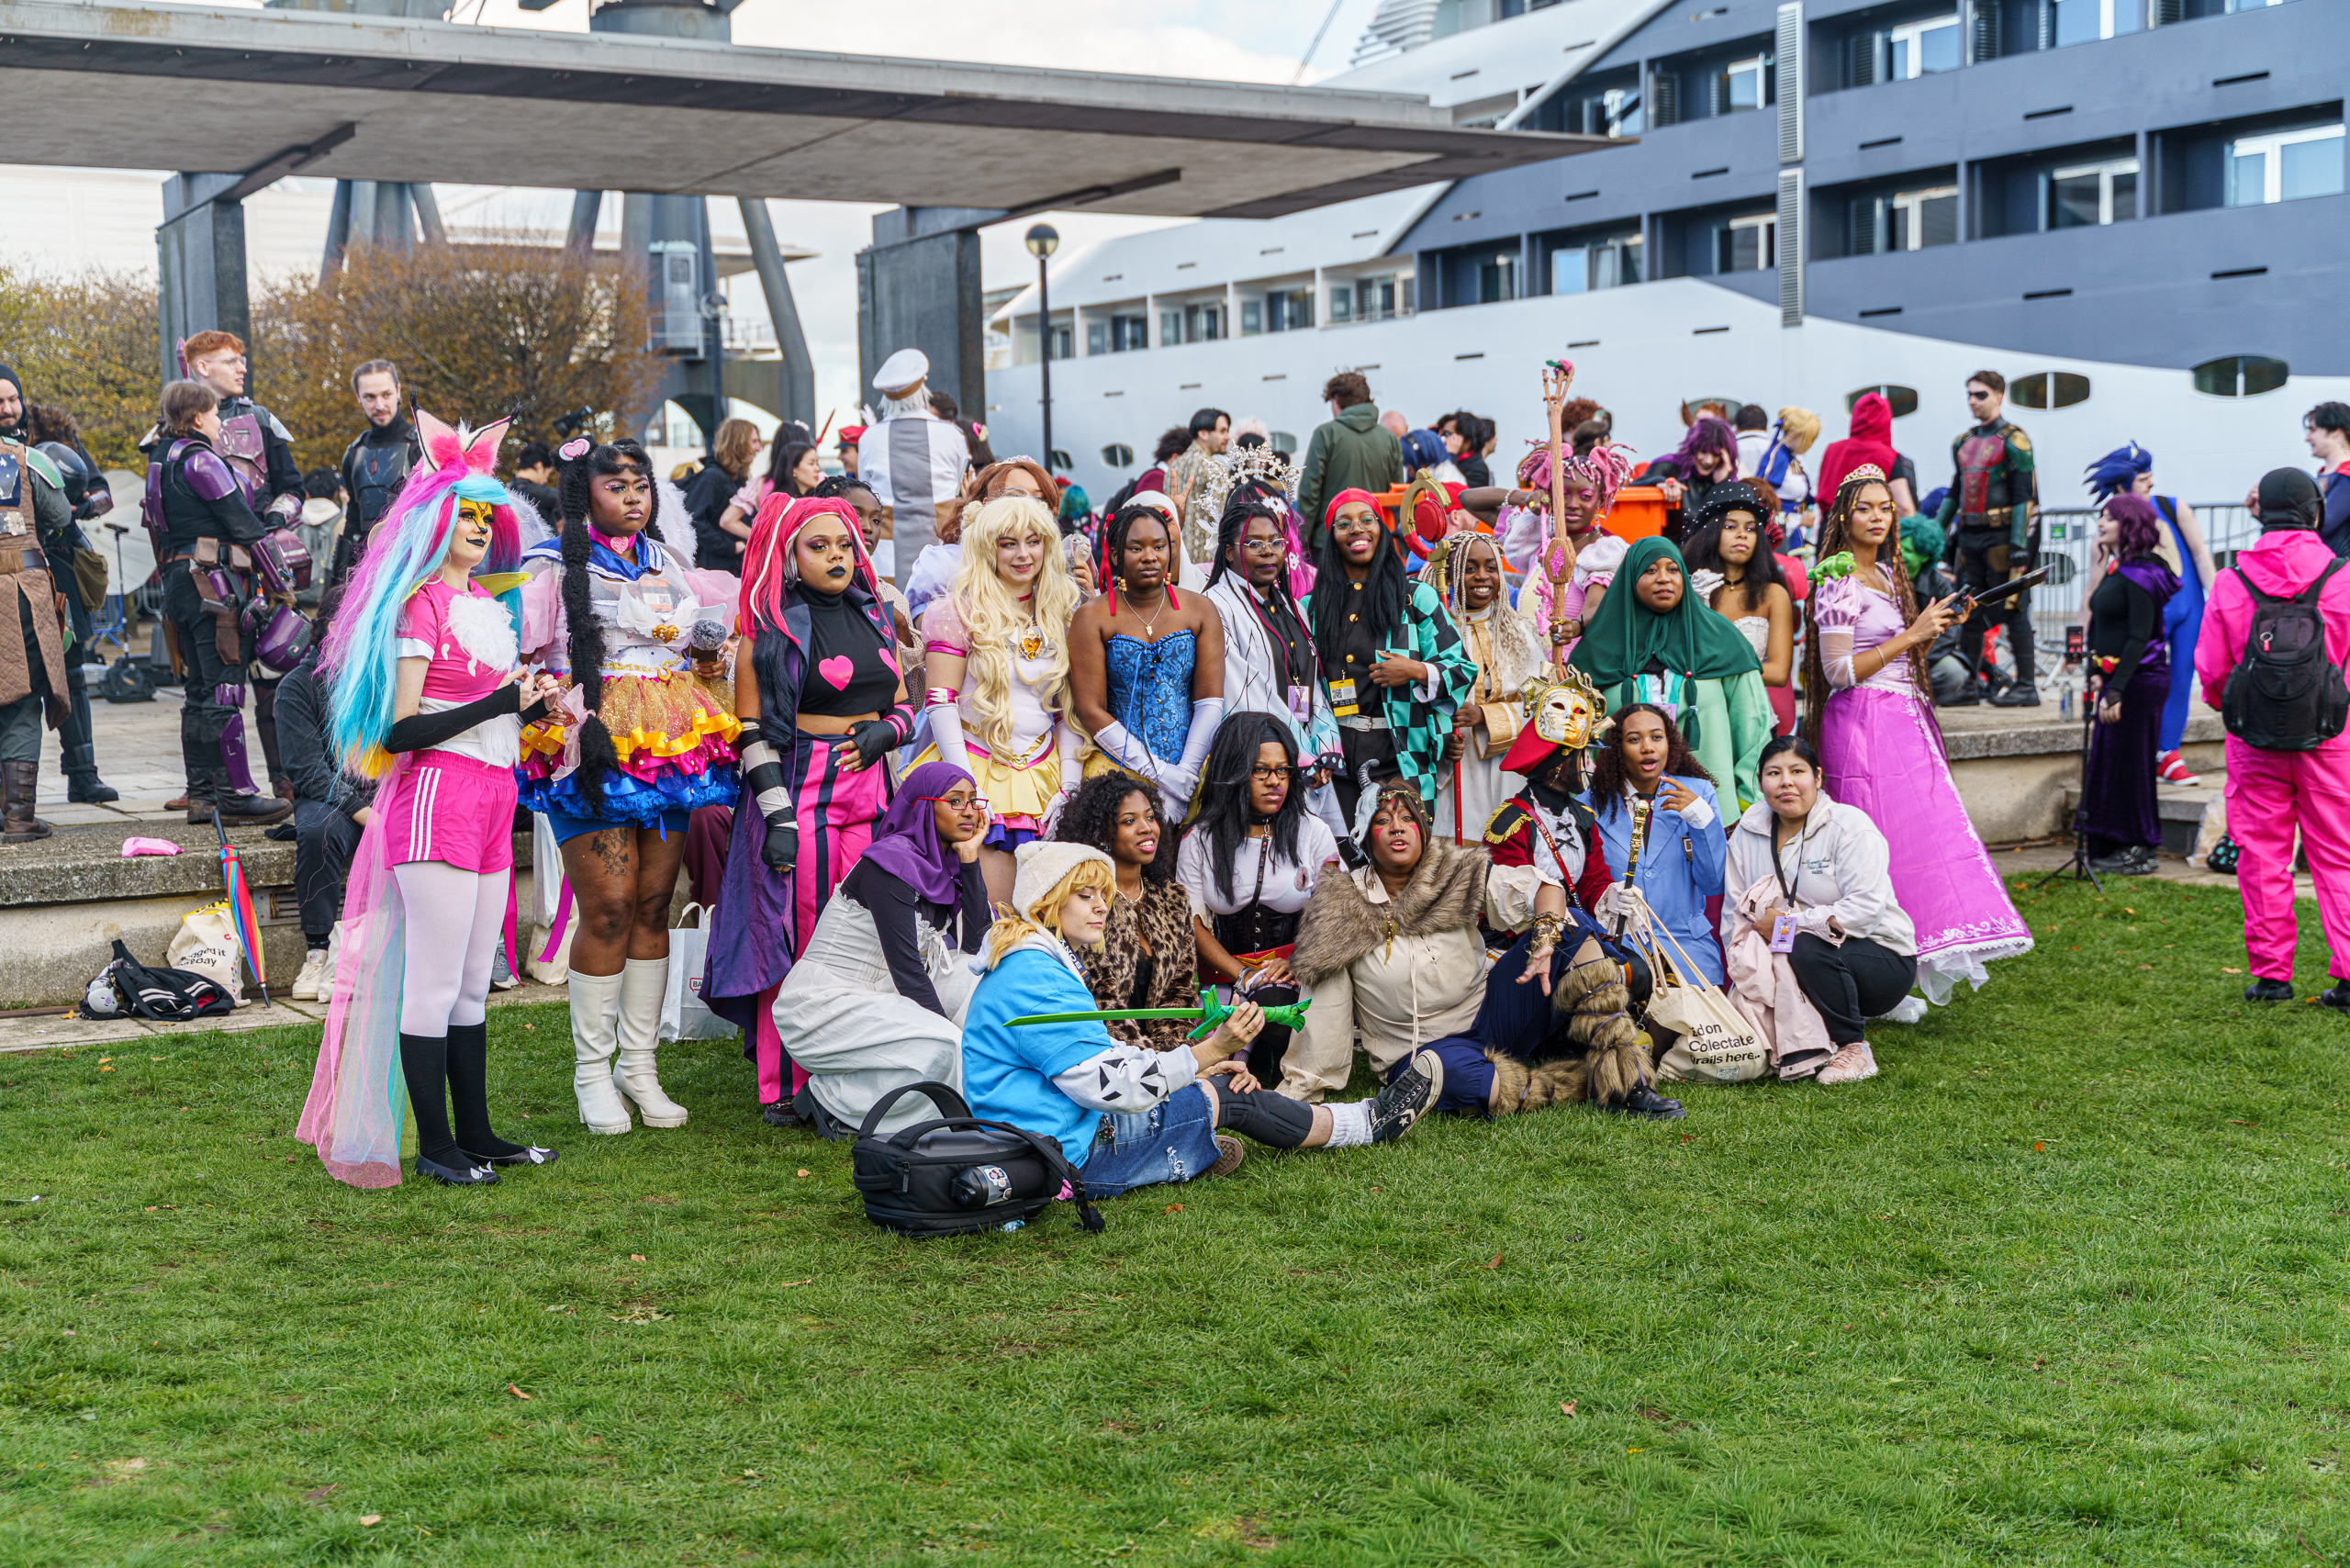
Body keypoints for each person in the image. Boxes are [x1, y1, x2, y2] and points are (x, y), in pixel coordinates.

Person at [297, 410, 558, 1188]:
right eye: (465, 513)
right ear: (437, 519)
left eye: (488, 515)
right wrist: (502, 705)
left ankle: (475, 1134)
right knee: (434, 980)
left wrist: (537, 711)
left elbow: (491, 707)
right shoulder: (418, 606)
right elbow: (402, 729)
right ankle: (436, 1147)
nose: (479, 527)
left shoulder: (486, 603)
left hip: (491, 795)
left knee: (476, 980)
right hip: (436, 796)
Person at [959, 841, 1443, 1199]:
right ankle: (1368, 1123)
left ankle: (1195, 1147)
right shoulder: (1034, 977)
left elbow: (1097, 1061)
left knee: (1211, 1088)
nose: (1103, 906)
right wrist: (1209, 1051)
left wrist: (1194, 1065)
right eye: (1085, 895)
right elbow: (1106, 1086)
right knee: (1231, 1095)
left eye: (1103, 895)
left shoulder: (1031, 961)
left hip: (1046, 1138)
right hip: (1065, 1156)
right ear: (1048, 901)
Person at [518, 437, 742, 1136]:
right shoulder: (551, 568)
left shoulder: (669, 562)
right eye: (616, 486)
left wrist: (710, 655)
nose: (634, 496)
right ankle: (592, 1072)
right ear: (585, 494)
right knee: (608, 907)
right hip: (593, 748)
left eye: (640, 484)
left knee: (651, 903)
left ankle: (639, 1068)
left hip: (673, 744)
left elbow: (694, 654)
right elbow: (526, 657)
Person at [1292, 780, 1683, 1120]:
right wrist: (1302, 1089)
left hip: (1490, 1018)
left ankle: (1624, 1081)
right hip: (1423, 1052)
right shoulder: (1341, 906)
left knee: (1571, 936)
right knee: (1449, 1075)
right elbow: (1324, 1011)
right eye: (1383, 820)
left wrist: (1545, 938)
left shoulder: (1453, 872)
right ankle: (1577, 1083)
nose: (1398, 828)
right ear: (1364, 835)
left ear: (1423, 831)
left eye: (1408, 819)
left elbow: (1543, 889)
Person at [705, 493, 914, 1123]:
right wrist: (777, 817)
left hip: (873, 795)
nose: (836, 557)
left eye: (845, 545)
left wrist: (890, 731)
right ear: (789, 557)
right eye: (818, 546)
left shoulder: (876, 615)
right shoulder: (767, 634)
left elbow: (905, 701)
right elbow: (750, 731)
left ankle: (862, 1072)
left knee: (871, 932)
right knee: (800, 939)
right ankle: (788, 1085)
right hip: (804, 795)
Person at [1803, 466, 2032, 1000]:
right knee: (1875, 845)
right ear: (1842, 516)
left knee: (1919, 839)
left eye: (1886, 508)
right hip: (1863, 724)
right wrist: (1913, 631)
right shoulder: (1837, 580)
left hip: (1903, 717)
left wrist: (1934, 631)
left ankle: (1904, 961)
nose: (1879, 517)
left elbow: (1901, 658)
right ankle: (1867, 969)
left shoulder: (1887, 572)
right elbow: (1837, 672)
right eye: (1866, 508)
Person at [770, 761, 991, 1137]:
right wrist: (954, 1032)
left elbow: (976, 949)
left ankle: (956, 1105)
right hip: (824, 1003)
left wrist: (970, 859)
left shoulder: (945, 863)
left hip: (884, 995)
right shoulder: (890, 864)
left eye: (974, 800)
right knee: (947, 1045)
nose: (970, 810)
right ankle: (831, 1099)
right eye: (955, 801)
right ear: (923, 806)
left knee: (983, 990)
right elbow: (908, 973)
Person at [2197, 469, 2350, 1008]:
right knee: (2339, 855)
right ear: (2315, 512)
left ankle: (2271, 977)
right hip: (2331, 738)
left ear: (2259, 510)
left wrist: (2235, 710)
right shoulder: (2343, 576)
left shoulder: (2230, 579)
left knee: (2261, 856)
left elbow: (2213, 673)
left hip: (2254, 740)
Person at [911, 492, 1084, 907]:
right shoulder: (957, 610)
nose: (1023, 554)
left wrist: (1071, 788)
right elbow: (940, 700)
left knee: (1054, 917)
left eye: (1033, 541)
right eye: (1008, 543)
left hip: (1049, 777)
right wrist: (967, 788)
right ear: (988, 549)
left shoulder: (1064, 609)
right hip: (976, 768)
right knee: (994, 918)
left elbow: (1067, 713)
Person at [1722, 735, 1919, 1085]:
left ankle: (1853, 1047)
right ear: (1760, 783)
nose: (1786, 782)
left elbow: (1865, 910)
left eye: (1797, 771)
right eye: (1773, 773)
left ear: (1817, 777)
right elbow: (1734, 910)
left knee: (1805, 946)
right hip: (1783, 956)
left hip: (1881, 959)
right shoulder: (1748, 832)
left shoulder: (1849, 827)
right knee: (1790, 949)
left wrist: (1787, 925)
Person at [143, 379, 293, 827]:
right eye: (212, 414)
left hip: (178, 584)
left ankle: (203, 797)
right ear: (195, 418)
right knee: (225, 688)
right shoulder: (201, 459)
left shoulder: (159, 461)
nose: (218, 422)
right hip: (213, 585)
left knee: (198, 691)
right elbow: (243, 524)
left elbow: (155, 527)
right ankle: (236, 795)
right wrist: (281, 581)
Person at [1175, 714, 1342, 1089]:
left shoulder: (1312, 831)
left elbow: (1335, 912)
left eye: (1283, 771)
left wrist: (1298, 959)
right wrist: (1243, 974)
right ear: (1233, 773)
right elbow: (1194, 924)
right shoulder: (1199, 839)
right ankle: (1251, 1056)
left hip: (1292, 973)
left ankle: (1269, 1052)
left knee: (1273, 999)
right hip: (1221, 974)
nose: (1274, 782)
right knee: (1203, 1033)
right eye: (1260, 770)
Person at [1304, 489, 1476, 823]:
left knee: (1402, 858)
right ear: (1332, 536)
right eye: (1344, 523)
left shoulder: (1414, 598)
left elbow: (1462, 669)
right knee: (1344, 865)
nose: (1357, 529)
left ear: (1382, 530)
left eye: (1367, 520)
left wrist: (1416, 671)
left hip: (1401, 756)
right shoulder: (1311, 608)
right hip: (1334, 759)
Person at [1566, 536, 1773, 812]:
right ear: (1629, 578)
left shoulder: (1722, 640)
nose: (1663, 578)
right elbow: (1575, 740)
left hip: (1713, 810)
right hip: (1618, 811)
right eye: (1650, 570)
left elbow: (1753, 730)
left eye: (1672, 569)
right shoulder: (1597, 650)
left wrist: (1752, 805)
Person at [0, 369, 113, 809]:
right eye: (0, 402)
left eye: (14, 399)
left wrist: (80, 504)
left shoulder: (54, 433)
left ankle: (83, 775)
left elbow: (101, 491)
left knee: (72, 670)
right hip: (16, 571)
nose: (9, 410)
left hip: (56, 566)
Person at [1071, 499, 1225, 820]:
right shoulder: (1091, 617)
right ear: (1115, 556)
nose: (1150, 556)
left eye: (1159, 546)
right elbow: (1089, 708)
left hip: (1192, 769)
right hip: (1119, 769)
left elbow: (1210, 701)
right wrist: (1161, 776)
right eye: (1136, 548)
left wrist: (1185, 775)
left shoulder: (1201, 609)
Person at [2084, 442, 2214, 785]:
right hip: (2146, 615)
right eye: (2143, 479)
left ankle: (2167, 752)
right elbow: (2093, 590)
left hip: (2189, 608)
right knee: (2140, 678)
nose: (2151, 484)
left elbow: (2200, 555)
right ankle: (2143, 749)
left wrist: (2215, 601)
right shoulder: (2107, 529)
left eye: (2151, 477)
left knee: (2182, 679)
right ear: (2121, 486)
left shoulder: (2172, 507)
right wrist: (2085, 642)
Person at [274, 583, 375, 1003]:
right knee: (316, 831)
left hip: (386, 790)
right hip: (330, 795)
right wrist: (360, 810)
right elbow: (307, 770)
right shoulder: (297, 687)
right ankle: (318, 949)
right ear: (334, 627)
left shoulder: (383, 676)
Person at [1583, 702, 1728, 985]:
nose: (1648, 747)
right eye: (1634, 739)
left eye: (1656, 737)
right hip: (1623, 952)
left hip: (1689, 951)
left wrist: (1701, 821)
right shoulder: (1588, 805)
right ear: (1617, 748)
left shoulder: (1699, 792)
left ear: (1670, 744)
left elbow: (1713, 884)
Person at [1055, 771, 1200, 1053]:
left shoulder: (1173, 899)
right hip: (1108, 1054)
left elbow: (1180, 995)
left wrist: (1181, 1057)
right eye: (1129, 821)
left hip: (1169, 1057)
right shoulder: (1084, 903)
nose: (1147, 828)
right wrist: (1156, 1066)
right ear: (1102, 834)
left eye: (1150, 817)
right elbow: (1101, 1003)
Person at [1424, 528, 1547, 844]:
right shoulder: (1433, 632)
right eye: (1469, 568)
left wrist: (1484, 716)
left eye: (1491, 568)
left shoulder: (1522, 634)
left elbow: (1543, 708)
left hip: (1508, 769)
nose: (1482, 576)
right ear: (1449, 576)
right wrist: (1439, 742)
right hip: (1453, 769)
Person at [2079, 494, 2178, 875]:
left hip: (2138, 684)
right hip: (2118, 681)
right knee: (2111, 765)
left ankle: (2141, 847)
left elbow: (2140, 637)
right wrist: (2096, 668)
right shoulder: (2119, 568)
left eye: (2109, 517)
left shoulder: (2141, 574)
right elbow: (2104, 624)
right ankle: (2111, 842)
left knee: (2132, 767)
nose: (2100, 522)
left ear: (2128, 524)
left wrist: (2117, 688)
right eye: (2100, 516)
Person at [1932, 371, 2042, 707]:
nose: (1972, 401)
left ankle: (2026, 686)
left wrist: (2021, 545)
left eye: (1980, 395)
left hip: (2003, 539)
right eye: (1969, 394)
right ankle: (1969, 685)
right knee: (1970, 610)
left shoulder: (2015, 441)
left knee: (2014, 608)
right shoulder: (1962, 443)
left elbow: (2025, 496)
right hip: (1970, 537)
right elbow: (1955, 491)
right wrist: (1934, 535)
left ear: (1998, 396)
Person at [0, 370, 72, 839]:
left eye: (12, 399)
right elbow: (60, 516)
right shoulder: (27, 459)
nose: (8, 408)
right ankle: (18, 816)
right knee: (22, 699)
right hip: (20, 590)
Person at [1681, 483, 1797, 734]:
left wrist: (1713, 669)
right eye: (1730, 526)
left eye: (1750, 528)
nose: (1742, 535)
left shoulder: (1773, 594)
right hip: (1697, 713)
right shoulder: (1689, 588)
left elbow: (1778, 672)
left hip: (1751, 715)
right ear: (1711, 532)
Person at [856, 348, 972, 589]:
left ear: (886, 396)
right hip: (944, 552)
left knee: (890, 619)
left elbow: (864, 491)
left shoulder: (869, 438)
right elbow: (961, 486)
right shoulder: (953, 435)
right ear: (923, 389)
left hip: (885, 558)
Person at [904, 455, 1053, 622]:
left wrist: (1086, 598)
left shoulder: (1056, 570)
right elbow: (921, 631)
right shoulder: (946, 565)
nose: (1028, 507)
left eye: (1038, 499)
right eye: (1015, 497)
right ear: (986, 505)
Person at [333, 359, 422, 582]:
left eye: (386, 394)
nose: (379, 405)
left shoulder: (422, 447)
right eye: (370, 397)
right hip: (366, 570)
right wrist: (339, 580)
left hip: (412, 567)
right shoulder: (354, 453)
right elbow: (353, 517)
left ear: (398, 391)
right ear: (358, 397)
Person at [1296, 373, 1404, 551]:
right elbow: (1396, 494)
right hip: (1374, 541)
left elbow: (1310, 493)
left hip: (1330, 541)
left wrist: (1302, 541)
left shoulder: (1325, 434)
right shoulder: (1390, 439)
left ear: (1336, 400)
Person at [1634, 415, 1738, 542]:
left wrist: (1724, 483)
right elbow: (1632, 488)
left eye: (1715, 454)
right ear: (1693, 448)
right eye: (1703, 452)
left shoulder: (1725, 476)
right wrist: (1662, 482)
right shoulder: (1670, 464)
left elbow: (1735, 520)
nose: (1708, 460)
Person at [684, 417, 765, 573]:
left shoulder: (734, 478)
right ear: (739, 443)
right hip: (717, 570)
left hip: (730, 568)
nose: (758, 447)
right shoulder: (713, 477)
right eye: (754, 441)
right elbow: (693, 521)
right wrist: (730, 546)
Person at [1816, 393, 1912, 512]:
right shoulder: (1888, 456)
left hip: (1830, 526)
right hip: (1870, 527)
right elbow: (1904, 507)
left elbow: (1821, 497)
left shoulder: (1832, 450)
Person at [1164, 407, 1230, 577]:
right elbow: (1221, 520)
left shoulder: (1174, 466)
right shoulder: (1214, 468)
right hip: (1207, 563)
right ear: (1203, 434)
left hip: (1176, 560)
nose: (1227, 437)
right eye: (1222, 431)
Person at [1748, 408, 1819, 546]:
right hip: (1778, 535)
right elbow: (1762, 501)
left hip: (1792, 532)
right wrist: (1796, 520)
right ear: (1793, 432)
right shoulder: (1777, 457)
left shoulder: (1792, 458)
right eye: (1808, 438)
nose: (1810, 444)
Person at [2306, 401, 2350, 557]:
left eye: (2313, 430)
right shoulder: (2326, 475)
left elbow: (2324, 524)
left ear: (2335, 432)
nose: (2307, 438)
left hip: (2341, 572)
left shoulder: (2347, 475)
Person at [509, 441, 560, 522]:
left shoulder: (509, 491)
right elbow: (564, 496)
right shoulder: (529, 492)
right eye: (548, 473)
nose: (546, 480)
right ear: (539, 466)